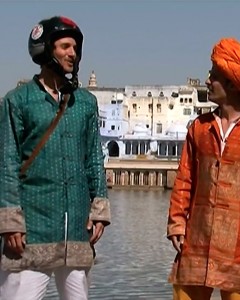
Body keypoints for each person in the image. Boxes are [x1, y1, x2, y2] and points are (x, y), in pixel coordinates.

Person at [0, 16, 111, 300]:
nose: (72, 53)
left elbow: (94, 159)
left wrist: (99, 210)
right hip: (31, 231)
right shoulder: (19, 100)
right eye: (64, 46)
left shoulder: (85, 103)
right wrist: (11, 222)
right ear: (46, 50)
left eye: (75, 47)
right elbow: (7, 162)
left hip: (76, 229)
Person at [167, 37, 240, 300]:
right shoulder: (200, 128)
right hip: (196, 240)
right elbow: (185, 179)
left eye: (213, 75)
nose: (207, 80)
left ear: (230, 83)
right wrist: (177, 224)